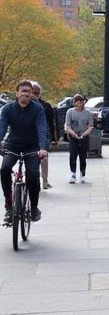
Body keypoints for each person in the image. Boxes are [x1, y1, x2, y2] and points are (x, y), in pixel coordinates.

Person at [0, 80, 48, 223]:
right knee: (4, 168)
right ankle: (9, 204)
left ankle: (33, 207)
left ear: (31, 94)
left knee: (33, 174)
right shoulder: (8, 109)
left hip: (32, 147)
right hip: (13, 145)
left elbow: (42, 128)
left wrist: (42, 147)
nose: (25, 94)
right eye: (23, 91)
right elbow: (2, 126)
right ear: (17, 93)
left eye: (28, 91)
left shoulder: (37, 109)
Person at [31, 81, 58, 189]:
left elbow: (52, 122)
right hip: (31, 136)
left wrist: (54, 138)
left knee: (44, 158)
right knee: (33, 160)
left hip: (44, 135)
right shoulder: (24, 105)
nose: (34, 94)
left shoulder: (46, 105)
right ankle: (35, 180)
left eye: (37, 93)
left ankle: (45, 180)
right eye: (33, 92)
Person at [65, 94, 94, 184]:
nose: (77, 105)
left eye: (80, 103)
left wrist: (84, 134)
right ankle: (73, 174)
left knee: (83, 156)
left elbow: (90, 126)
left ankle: (83, 174)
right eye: (76, 103)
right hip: (73, 136)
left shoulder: (88, 113)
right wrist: (72, 133)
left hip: (84, 136)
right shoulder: (70, 112)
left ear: (83, 103)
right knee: (72, 156)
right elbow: (68, 125)